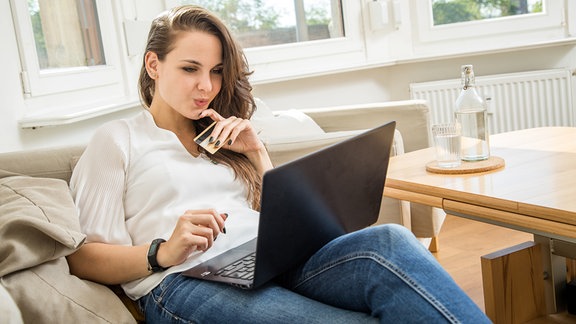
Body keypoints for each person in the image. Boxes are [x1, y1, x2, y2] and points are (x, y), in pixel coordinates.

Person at [67, 5, 490, 323]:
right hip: (180, 282)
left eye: (215, 71)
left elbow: (277, 218)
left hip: (264, 258)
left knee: (392, 242)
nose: (206, 86)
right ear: (153, 65)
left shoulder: (221, 135)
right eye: (190, 69)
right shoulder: (118, 140)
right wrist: (163, 251)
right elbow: (82, 257)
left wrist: (257, 153)